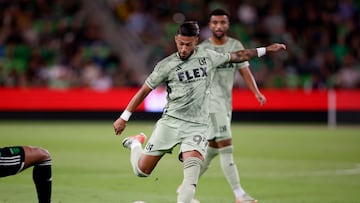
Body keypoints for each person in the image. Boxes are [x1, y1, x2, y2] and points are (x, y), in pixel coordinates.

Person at [113, 21, 286, 203]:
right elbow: (143, 91)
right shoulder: (166, 65)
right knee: (142, 171)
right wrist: (124, 117)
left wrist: (266, 49)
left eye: (188, 44)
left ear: (196, 41)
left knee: (191, 175)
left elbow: (240, 55)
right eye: (180, 44)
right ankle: (135, 144)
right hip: (170, 122)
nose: (184, 49)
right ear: (176, 40)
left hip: (197, 126)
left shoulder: (208, 57)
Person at [194, 8, 266, 203]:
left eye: (222, 22)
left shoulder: (235, 45)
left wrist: (256, 92)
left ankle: (186, 188)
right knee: (227, 145)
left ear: (228, 25)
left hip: (225, 104)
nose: (218, 26)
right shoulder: (202, 49)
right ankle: (239, 194)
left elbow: (245, 72)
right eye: (215, 22)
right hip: (210, 105)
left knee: (213, 148)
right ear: (209, 26)